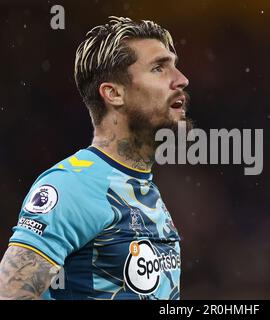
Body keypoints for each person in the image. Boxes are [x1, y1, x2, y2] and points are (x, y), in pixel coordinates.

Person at [0, 16, 191, 300]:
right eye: (159, 68)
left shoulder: (142, 187)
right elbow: (10, 293)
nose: (181, 79)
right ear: (114, 93)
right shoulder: (72, 186)